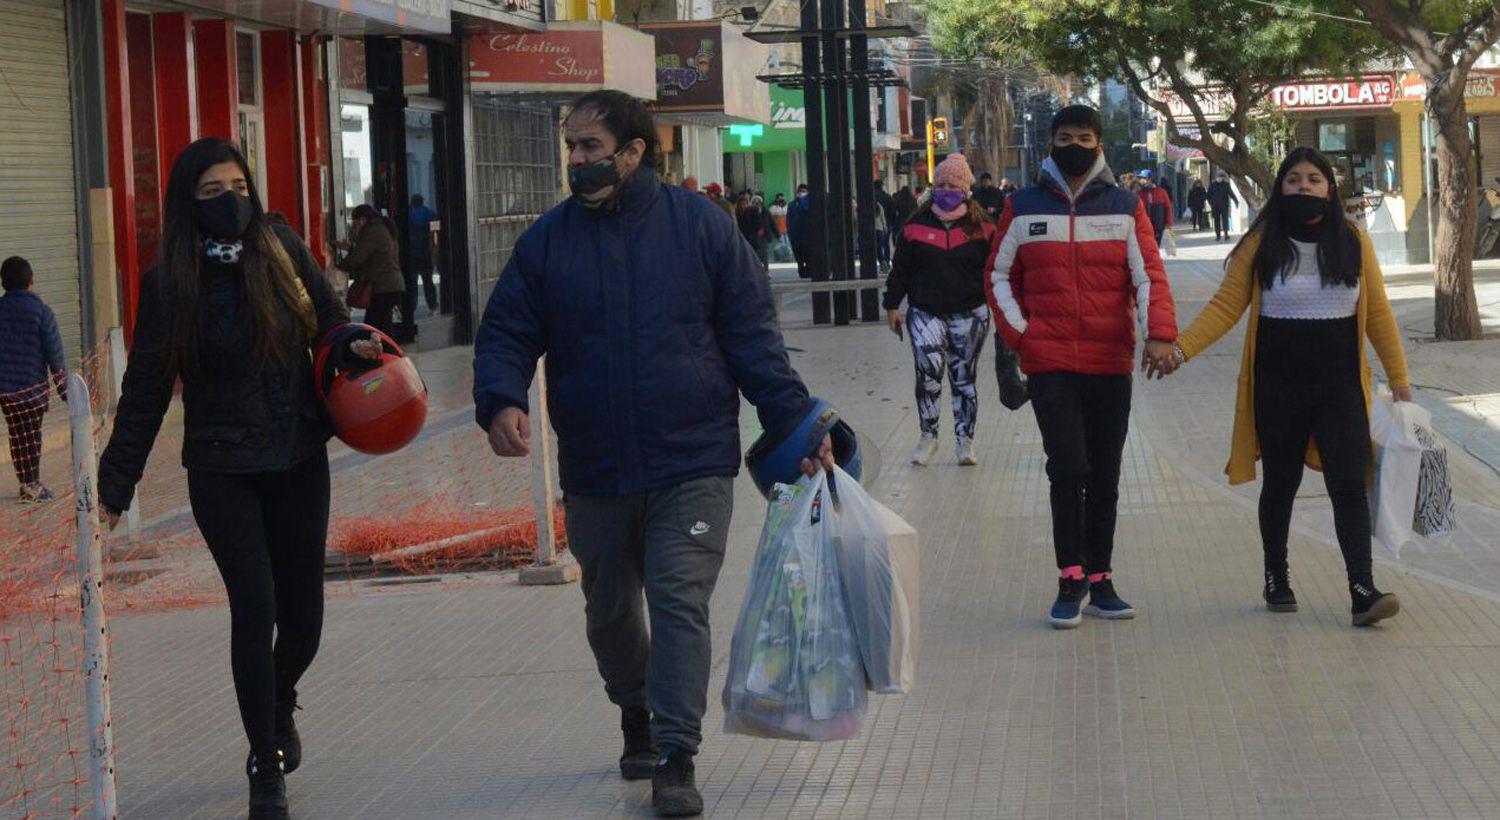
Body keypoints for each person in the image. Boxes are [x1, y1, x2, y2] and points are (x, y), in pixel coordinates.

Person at [472, 90, 832, 818]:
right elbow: (508, 328)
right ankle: (632, 705)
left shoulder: (702, 229)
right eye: (571, 147)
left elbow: (751, 334)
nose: (576, 160)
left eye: (590, 147)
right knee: (608, 609)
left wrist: (795, 422)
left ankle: (676, 752)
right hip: (596, 464)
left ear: (635, 152)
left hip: (692, 459)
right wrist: (502, 397)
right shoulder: (547, 241)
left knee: (678, 600)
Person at [95, 137, 382, 819]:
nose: (232, 201)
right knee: (255, 609)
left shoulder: (281, 247)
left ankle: (278, 700)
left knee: (303, 619)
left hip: (297, 456)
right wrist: (113, 488)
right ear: (188, 206)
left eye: (238, 186)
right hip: (222, 467)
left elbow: (331, 325)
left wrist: (353, 345)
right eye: (213, 192)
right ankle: (264, 758)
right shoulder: (171, 280)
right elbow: (143, 389)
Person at [1162, 147, 1408, 627]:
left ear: (1330, 189)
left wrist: (1399, 381)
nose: (1303, 188)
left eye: (1314, 179)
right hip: (1277, 390)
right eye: (1293, 180)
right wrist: (1180, 349)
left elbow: (1378, 315)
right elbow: (1223, 307)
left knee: (1349, 485)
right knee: (1281, 485)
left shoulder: (1355, 242)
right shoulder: (1262, 244)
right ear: (1280, 189)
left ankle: (1362, 589)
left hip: (1340, 390)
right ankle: (1276, 575)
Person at [986, 104, 1178, 629]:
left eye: (1085, 136)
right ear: (1051, 144)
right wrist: (1021, 335)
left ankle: (1101, 578)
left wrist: (1160, 332)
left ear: (1099, 144)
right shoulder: (1021, 207)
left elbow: (1149, 277)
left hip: (1108, 360)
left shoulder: (1124, 206)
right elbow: (997, 275)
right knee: (1067, 467)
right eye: (1066, 136)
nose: (1075, 144)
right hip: (1050, 362)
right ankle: (1070, 576)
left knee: (1106, 472)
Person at [884, 154, 995, 467]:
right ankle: (928, 435)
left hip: (970, 313)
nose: (946, 190)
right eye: (940, 184)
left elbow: (997, 270)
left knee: (963, 379)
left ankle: (965, 441)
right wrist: (892, 305)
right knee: (928, 374)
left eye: (953, 184)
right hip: (925, 312)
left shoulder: (983, 228)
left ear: (965, 188)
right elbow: (900, 270)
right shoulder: (915, 227)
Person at [0, 256, 67, 503]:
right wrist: (65, 390)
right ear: (31, 280)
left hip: (6, 391)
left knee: (17, 435)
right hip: (33, 390)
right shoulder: (41, 311)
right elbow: (55, 354)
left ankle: (26, 483)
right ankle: (32, 484)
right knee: (32, 436)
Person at [334, 204, 405, 337]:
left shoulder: (372, 230)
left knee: (374, 330)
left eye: (354, 224)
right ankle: (387, 355)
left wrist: (337, 267)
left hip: (383, 287)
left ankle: (385, 355)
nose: (354, 228)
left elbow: (358, 258)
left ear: (362, 220)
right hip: (390, 286)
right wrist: (350, 248)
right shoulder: (383, 228)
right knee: (381, 328)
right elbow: (375, 253)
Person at [407, 194, 439, 316]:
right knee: (428, 281)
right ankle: (433, 306)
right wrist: (435, 251)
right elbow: (435, 234)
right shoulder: (430, 213)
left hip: (412, 253)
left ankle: (411, 306)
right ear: (422, 202)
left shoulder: (408, 213)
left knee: (412, 282)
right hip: (426, 253)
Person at [787, 183, 816, 280]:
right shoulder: (792, 205)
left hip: (808, 235)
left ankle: (808, 270)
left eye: (804, 192)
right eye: (800, 192)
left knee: (807, 254)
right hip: (797, 235)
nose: (801, 194)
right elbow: (789, 221)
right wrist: (791, 234)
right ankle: (802, 269)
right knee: (799, 255)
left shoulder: (811, 204)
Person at [1137, 169, 1173, 243]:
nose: (1141, 180)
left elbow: (1168, 208)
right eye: (1140, 178)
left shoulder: (1161, 192)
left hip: (1158, 227)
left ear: (1150, 179)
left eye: (1143, 178)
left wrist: (1168, 224)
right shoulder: (1139, 194)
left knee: (1156, 245)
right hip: (1144, 227)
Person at [873, 180, 898, 272]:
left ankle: (880, 261)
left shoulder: (872, 198)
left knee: (877, 245)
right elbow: (893, 212)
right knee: (886, 244)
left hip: (876, 225)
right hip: (886, 224)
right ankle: (887, 262)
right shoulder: (888, 197)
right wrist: (892, 223)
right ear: (882, 186)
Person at [1209, 171, 1240, 242]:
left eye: (1222, 177)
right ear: (1218, 177)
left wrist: (1236, 201)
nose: (1221, 179)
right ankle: (1218, 236)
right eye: (1221, 177)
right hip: (1215, 206)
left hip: (1224, 205)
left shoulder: (1226, 185)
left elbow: (1231, 193)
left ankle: (1226, 234)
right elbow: (1208, 195)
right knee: (1217, 221)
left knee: (1225, 220)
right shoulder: (1213, 185)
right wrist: (1211, 203)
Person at [768, 192, 790, 260]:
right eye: (779, 198)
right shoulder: (773, 207)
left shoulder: (787, 206)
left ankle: (788, 257)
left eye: (782, 198)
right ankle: (782, 258)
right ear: (777, 199)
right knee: (781, 244)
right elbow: (771, 216)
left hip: (786, 229)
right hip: (778, 229)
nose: (781, 200)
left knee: (787, 244)